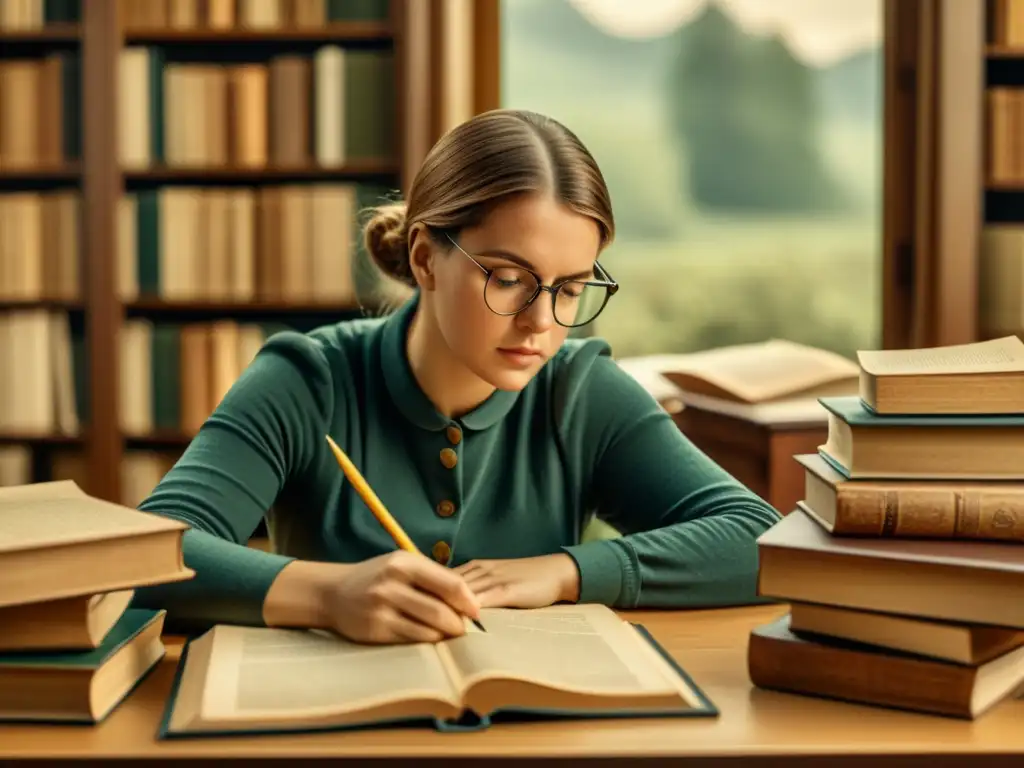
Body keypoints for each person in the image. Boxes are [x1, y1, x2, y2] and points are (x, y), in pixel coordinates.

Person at [132, 109, 782, 644]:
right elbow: (148, 558)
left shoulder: (579, 390)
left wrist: (566, 572)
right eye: (507, 278)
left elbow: (758, 540)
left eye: (570, 288)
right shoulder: (307, 381)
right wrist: (329, 595)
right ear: (425, 258)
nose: (540, 323)